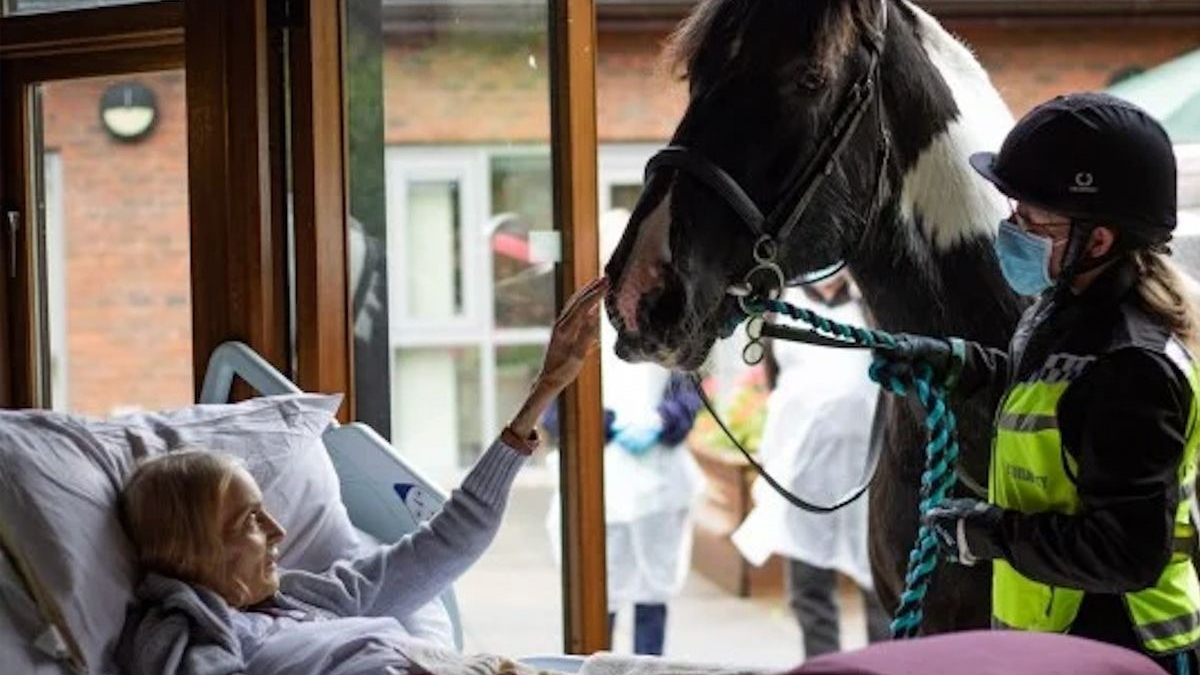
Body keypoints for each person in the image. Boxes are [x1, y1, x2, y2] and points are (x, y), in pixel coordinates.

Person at [115, 277, 608, 675]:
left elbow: (450, 542)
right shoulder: (186, 635)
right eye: (249, 520)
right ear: (194, 548)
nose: (279, 531)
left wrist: (546, 387)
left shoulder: (308, 595)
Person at [877, 92, 1200, 674]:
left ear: (1097, 241)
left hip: (1122, 653)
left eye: (1031, 220)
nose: (1011, 230)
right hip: (1060, 647)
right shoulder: (1059, 312)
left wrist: (989, 534)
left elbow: (1126, 554)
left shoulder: (1132, 367)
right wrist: (957, 364)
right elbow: (1053, 400)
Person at [544, 209, 704, 656]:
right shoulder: (578, 324)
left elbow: (689, 398)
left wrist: (660, 422)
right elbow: (556, 409)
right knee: (600, 597)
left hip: (658, 484)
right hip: (601, 485)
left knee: (653, 596)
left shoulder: (672, 322)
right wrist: (607, 424)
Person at [731, 272, 890, 659]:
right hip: (802, 474)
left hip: (867, 472)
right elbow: (774, 379)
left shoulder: (871, 305)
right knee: (808, 586)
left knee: (880, 585)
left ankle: (883, 665)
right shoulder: (781, 308)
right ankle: (823, 666)